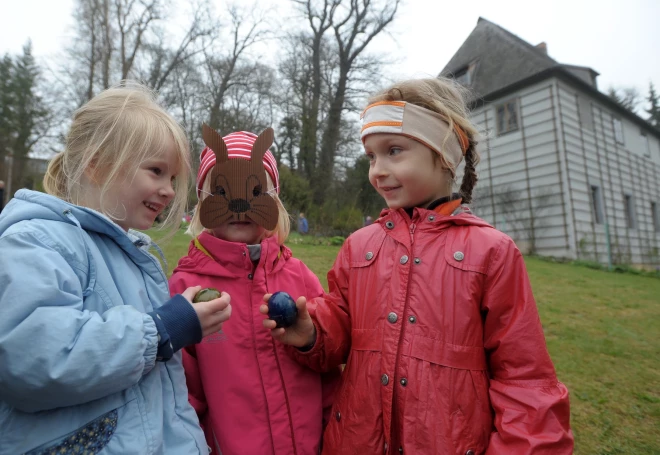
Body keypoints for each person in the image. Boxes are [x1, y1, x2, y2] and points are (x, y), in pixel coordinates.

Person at [261, 78, 574, 454]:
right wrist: (313, 332)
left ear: (444, 154)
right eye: (372, 157)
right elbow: (342, 325)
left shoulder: (492, 252)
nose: (377, 170)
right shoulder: (358, 247)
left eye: (394, 151)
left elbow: (525, 381)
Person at [0, 83, 232, 455]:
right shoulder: (35, 242)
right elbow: (33, 358)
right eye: (156, 171)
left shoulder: (134, 254)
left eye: (172, 178)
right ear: (96, 163)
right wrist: (161, 331)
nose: (169, 190)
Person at [169, 125, 340, 455]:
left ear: (272, 200)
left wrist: (311, 340)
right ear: (205, 200)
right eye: (222, 191)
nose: (239, 204)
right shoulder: (186, 289)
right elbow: (183, 392)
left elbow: (329, 368)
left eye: (254, 192)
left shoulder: (301, 278)